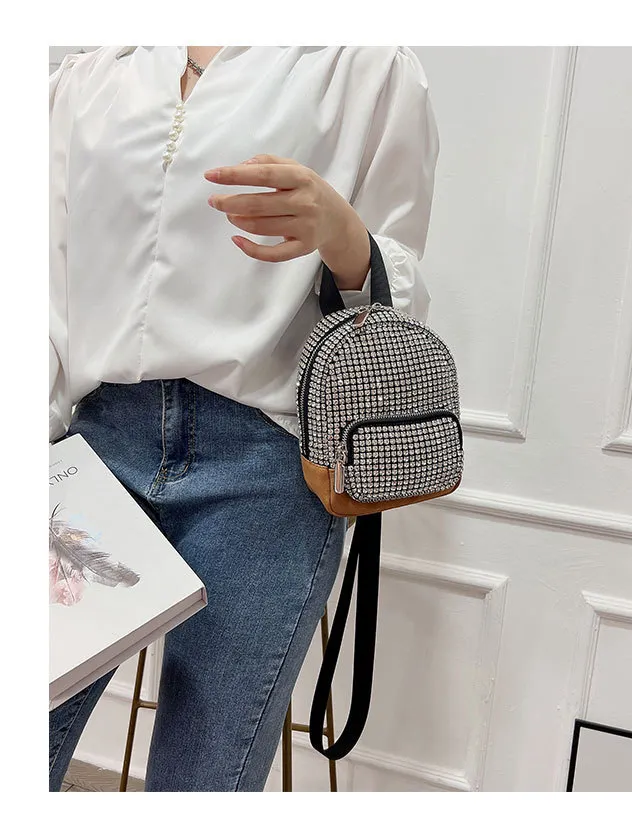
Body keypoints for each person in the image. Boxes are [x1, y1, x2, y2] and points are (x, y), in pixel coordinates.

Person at [48, 45, 439, 792]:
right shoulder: (92, 77)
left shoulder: (362, 66)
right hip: (92, 447)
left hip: (265, 464)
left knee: (203, 780)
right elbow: (41, 286)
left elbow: (397, 310)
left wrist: (345, 235)